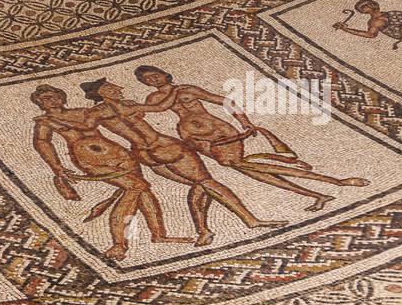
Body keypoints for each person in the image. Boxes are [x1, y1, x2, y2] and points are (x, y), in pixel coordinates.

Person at [77, 79, 286, 245]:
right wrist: (176, 91)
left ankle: (204, 231)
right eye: (112, 87)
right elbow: (160, 108)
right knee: (207, 183)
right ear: (102, 92)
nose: (119, 88)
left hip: (146, 153)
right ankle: (250, 220)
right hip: (163, 149)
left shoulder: (107, 110)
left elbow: (83, 130)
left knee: (201, 184)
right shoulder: (110, 110)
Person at [133, 66, 368, 212]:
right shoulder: (154, 99)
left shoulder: (188, 90)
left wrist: (244, 122)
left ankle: (334, 182)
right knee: (249, 170)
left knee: (240, 164)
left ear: (165, 73)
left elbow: (225, 101)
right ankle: (318, 193)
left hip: (219, 132)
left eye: (154, 76)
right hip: (194, 139)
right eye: (147, 81)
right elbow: (147, 111)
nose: (152, 81)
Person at [30, 85, 191, 261]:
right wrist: (56, 166)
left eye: (56, 96)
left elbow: (101, 121)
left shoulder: (83, 112)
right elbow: (42, 142)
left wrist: (122, 107)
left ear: (63, 97)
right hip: (90, 159)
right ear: (39, 103)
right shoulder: (44, 122)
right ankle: (118, 245)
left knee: (143, 192)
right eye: (46, 98)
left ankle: (159, 235)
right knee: (136, 187)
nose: (53, 100)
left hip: (119, 154)